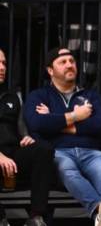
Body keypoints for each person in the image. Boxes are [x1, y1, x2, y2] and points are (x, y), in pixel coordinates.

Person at [24, 47, 101, 226]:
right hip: (59, 152)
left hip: (91, 152)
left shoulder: (91, 95)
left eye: (72, 61)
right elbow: (36, 125)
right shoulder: (39, 96)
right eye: (62, 62)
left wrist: (54, 120)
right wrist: (75, 116)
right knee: (66, 170)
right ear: (50, 70)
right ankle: (100, 211)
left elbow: (98, 125)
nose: (69, 65)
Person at [0, 48, 55, 226]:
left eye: (4, 63)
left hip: (12, 154)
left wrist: (26, 138)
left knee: (43, 149)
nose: (2, 67)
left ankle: (36, 216)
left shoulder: (12, 97)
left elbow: (21, 128)